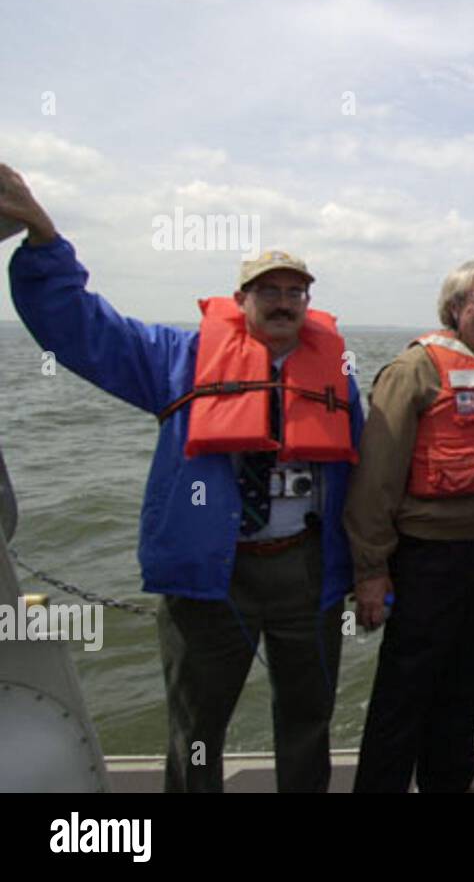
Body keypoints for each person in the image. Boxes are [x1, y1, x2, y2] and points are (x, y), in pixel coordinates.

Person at [2, 164, 363, 792]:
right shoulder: (177, 360)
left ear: (308, 302)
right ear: (240, 298)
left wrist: (373, 567)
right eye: (267, 290)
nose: (283, 301)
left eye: (294, 291)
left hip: (307, 569)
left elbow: (366, 476)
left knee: (309, 717)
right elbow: (82, 330)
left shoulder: (338, 375)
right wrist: (44, 240)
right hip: (213, 573)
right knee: (197, 725)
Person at [347, 260, 474, 793]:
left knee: (466, 686)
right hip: (426, 556)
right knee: (405, 691)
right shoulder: (415, 370)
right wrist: (371, 568)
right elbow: (375, 481)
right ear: (455, 308)